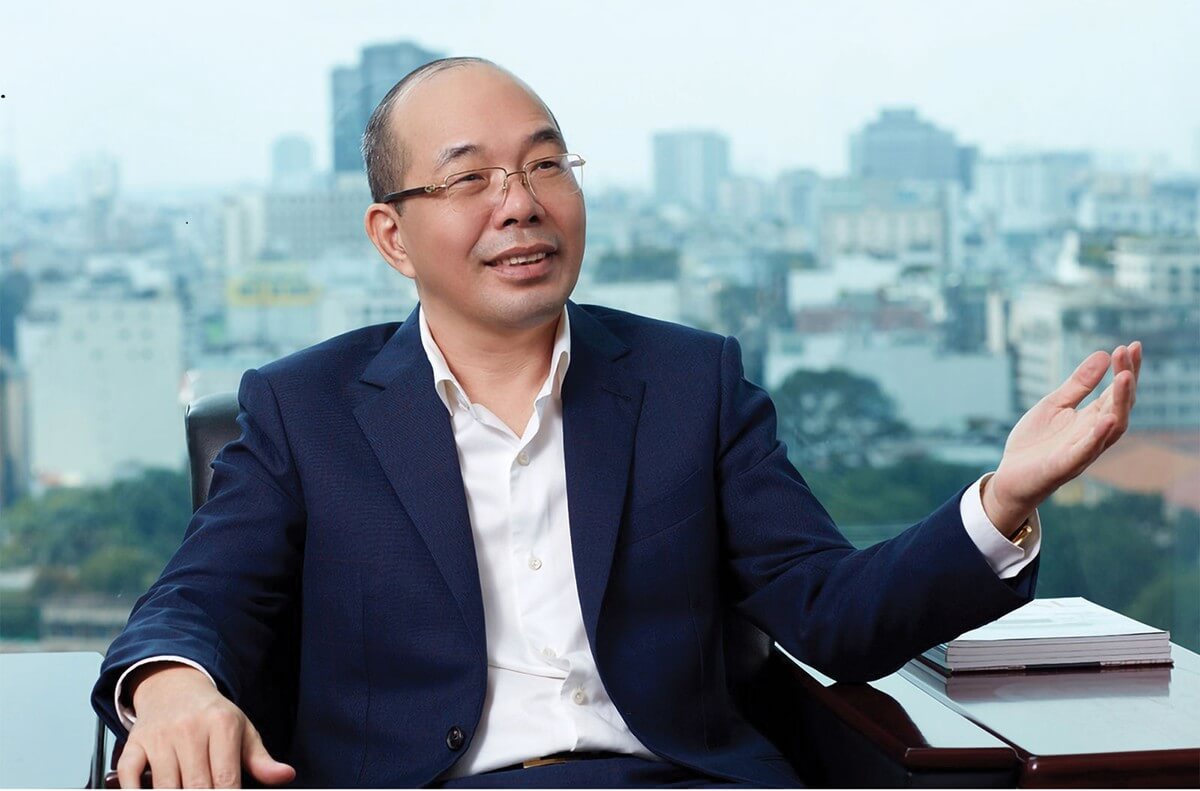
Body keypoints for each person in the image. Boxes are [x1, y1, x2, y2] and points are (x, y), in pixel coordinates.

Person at [92, 58, 1141, 789]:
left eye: (546, 164)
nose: (519, 201)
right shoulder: (305, 408)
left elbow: (833, 613)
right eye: (469, 177)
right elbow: (197, 597)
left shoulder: (691, 382)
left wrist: (1002, 498)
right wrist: (172, 687)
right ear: (392, 235)